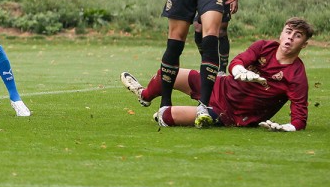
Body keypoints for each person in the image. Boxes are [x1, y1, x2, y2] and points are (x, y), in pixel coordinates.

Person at [121, 17, 312, 130]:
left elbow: (299, 116)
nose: (290, 38)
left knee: (165, 116)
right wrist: (239, 70)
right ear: (281, 34)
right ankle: (144, 94)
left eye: (297, 36)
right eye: (288, 32)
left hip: (230, 113)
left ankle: (182, 113)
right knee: (169, 73)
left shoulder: (297, 76)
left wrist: (291, 127)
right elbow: (238, 61)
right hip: (218, 86)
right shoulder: (264, 47)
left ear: (303, 44)